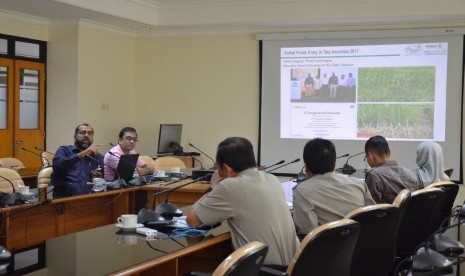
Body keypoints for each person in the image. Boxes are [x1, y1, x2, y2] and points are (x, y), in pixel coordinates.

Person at [186, 137, 299, 266]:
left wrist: (214, 187)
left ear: (227, 169)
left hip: (263, 270)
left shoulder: (229, 187)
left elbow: (192, 220)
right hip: (294, 266)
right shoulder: (272, 179)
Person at [293, 138, 375, 236]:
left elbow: (308, 232)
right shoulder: (359, 184)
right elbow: (373, 215)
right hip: (362, 243)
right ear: (335, 164)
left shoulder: (303, 191)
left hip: (329, 248)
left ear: (306, 167)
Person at [50, 123, 103, 198]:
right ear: (75, 137)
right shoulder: (64, 150)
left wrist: (98, 177)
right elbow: (57, 167)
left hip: (89, 196)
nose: (86, 135)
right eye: (82, 132)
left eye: (90, 133)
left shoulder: (97, 156)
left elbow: (101, 178)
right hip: (65, 196)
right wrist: (83, 153)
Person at [364, 135, 418, 203]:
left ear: (371, 156)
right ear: (389, 152)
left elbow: (371, 208)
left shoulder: (374, 176)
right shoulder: (410, 174)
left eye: (366, 157)